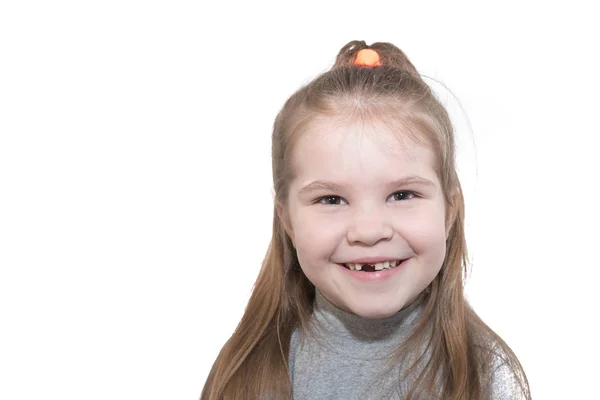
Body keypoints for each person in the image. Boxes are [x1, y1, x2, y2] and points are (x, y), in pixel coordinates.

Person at [201, 40, 531, 400]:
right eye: (331, 199)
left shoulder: (485, 374)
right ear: (288, 221)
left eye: (402, 195)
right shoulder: (249, 373)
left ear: (449, 211)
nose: (370, 231)